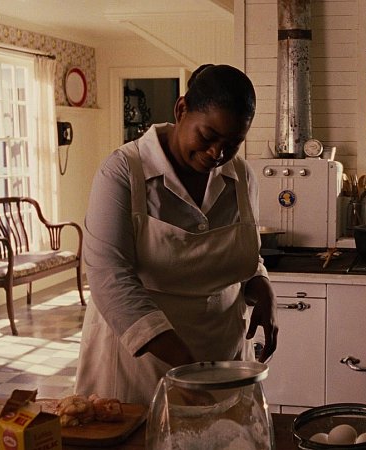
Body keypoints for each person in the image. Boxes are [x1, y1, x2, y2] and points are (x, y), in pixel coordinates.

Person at [75, 64, 278, 406]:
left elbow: (243, 254)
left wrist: (263, 288)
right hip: (140, 366)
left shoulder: (242, 178)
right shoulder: (123, 172)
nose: (217, 154)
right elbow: (109, 278)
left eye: (232, 144)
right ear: (181, 109)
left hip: (222, 360)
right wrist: (189, 368)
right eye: (208, 136)